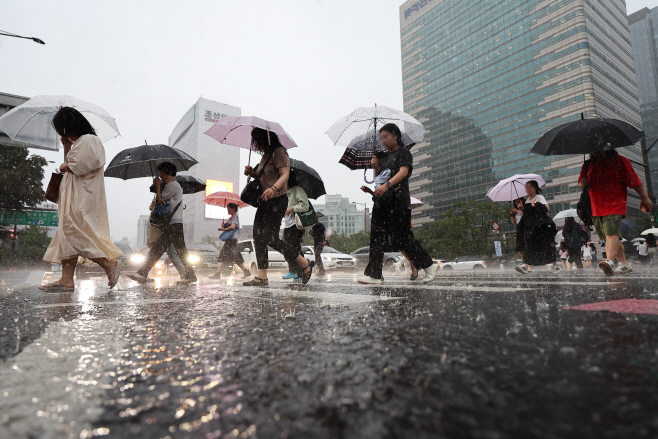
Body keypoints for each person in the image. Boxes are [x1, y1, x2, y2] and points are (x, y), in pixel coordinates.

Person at [40, 107, 122, 292]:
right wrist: (66, 148)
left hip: (82, 198)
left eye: (62, 128)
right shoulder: (79, 143)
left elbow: (81, 165)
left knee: (73, 233)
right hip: (73, 196)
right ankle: (66, 279)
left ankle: (108, 263)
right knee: (66, 236)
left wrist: (64, 165)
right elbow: (73, 163)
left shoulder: (90, 140)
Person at [357, 123, 438, 284]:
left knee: (402, 239)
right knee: (376, 237)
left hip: (398, 203)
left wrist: (387, 185)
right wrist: (376, 166)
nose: (383, 141)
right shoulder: (385, 158)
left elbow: (403, 172)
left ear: (396, 136)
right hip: (382, 204)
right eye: (381, 138)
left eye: (386, 137)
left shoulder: (404, 152)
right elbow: (381, 179)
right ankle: (373, 274)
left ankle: (428, 265)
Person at [242, 128, 313, 286]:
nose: (256, 145)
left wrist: (274, 189)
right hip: (264, 199)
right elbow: (265, 178)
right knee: (258, 237)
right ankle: (262, 276)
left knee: (270, 238)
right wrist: (252, 173)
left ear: (265, 139)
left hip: (277, 200)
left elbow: (285, 175)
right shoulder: (266, 156)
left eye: (257, 141)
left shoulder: (279, 151)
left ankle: (304, 263)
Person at [579, 150, 653, 275]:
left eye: (598, 147)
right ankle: (624, 264)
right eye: (592, 148)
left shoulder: (620, 161)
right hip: (596, 206)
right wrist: (583, 183)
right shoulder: (588, 164)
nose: (595, 150)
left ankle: (609, 262)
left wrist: (644, 198)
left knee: (611, 234)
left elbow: (634, 181)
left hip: (615, 203)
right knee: (610, 237)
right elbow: (581, 183)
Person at [128, 162, 197, 284]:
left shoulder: (172, 185)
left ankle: (142, 273)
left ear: (169, 173)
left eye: (162, 174)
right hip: (176, 224)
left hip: (173, 225)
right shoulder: (176, 186)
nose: (161, 177)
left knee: (158, 248)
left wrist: (158, 186)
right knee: (179, 251)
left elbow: (159, 201)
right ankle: (190, 275)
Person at [515, 181, 560, 274]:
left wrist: (536, 204)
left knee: (545, 246)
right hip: (530, 228)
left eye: (529, 187)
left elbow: (546, 208)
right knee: (529, 246)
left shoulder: (539, 197)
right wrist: (521, 209)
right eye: (526, 187)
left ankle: (555, 265)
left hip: (540, 228)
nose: (527, 189)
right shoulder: (526, 200)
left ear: (535, 188)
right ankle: (525, 265)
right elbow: (528, 215)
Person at [147, 196, 187, 279]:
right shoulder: (160, 200)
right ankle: (143, 274)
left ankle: (183, 274)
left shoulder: (171, 201)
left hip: (166, 234)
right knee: (153, 255)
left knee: (171, 255)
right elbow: (151, 208)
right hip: (159, 234)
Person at [209, 203, 251, 280]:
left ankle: (218, 274)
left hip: (232, 241)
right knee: (232, 257)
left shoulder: (235, 217)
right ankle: (246, 271)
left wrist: (224, 229)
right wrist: (223, 225)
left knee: (225, 256)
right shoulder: (232, 218)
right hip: (231, 241)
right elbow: (229, 226)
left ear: (233, 208)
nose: (227, 210)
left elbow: (233, 227)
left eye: (228, 209)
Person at [282, 173, 310, 282]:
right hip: (288, 224)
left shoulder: (297, 190)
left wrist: (293, 208)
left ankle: (299, 272)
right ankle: (294, 271)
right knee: (288, 248)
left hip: (296, 225)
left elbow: (305, 205)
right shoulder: (285, 192)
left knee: (294, 248)